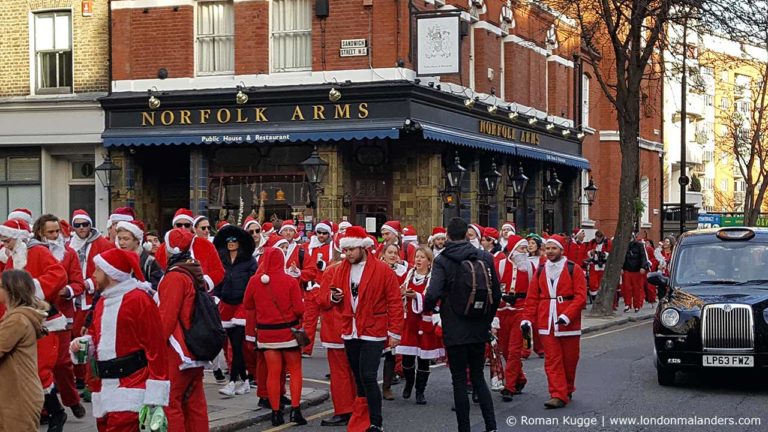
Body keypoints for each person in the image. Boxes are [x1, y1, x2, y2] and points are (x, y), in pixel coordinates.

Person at [69, 248, 170, 430]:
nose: (93, 275)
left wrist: (155, 395)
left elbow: (156, 347)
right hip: (104, 388)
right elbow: (95, 335)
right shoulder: (102, 301)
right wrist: (83, 344)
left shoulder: (139, 300)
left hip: (132, 388)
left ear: (111, 273)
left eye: (98, 270)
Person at [424, 217, 500, 432]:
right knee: (478, 377)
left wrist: (431, 309)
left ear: (447, 235)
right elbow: (497, 293)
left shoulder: (442, 260)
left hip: (455, 325)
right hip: (478, 326)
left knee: (459, 380)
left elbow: (433, 293)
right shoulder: (485, 257)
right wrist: (486, 319)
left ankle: (464, 428)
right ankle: (491, 426)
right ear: (468, 234)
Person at [328, 226, 403, 432]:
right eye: (346, 250)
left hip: (373, 330)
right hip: (350, 329)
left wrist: (395, 332)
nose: (348, 253)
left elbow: (395, 302)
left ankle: (376, 423)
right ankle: (362, 418)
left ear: (363, 247)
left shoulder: (382, 269)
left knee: (368, 375)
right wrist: (335, 297)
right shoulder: (341, 268)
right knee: (358, 376)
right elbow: (333, 294)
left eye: (352, 249)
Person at [1, 218, 70, 431]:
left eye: (8, 240)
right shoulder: (14, 257)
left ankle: (56, 412)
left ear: (19, 238)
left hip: (42, 318)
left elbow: (59, 275)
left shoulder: (37, 252)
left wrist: (30, 292)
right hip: (25, 315)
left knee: (42, 370)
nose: (5, 245)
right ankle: (52, 411)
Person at [521, 235, 587, 409]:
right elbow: (532, 296)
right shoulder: (541, 270)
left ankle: (567, 387)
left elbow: (581, 297)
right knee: (552, 359)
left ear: (561, 250)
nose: (550, 252)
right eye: (547, 249)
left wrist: (567, 315)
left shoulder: (574, 269)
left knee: (570, 359)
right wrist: (527, 318)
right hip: (546, 321)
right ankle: (557, 393)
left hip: (568, 323)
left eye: (553, 248)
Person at [244, 246, 307, 426]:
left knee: (273, 373)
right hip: (288, 333)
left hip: (266, 334)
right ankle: (295, 410)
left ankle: (275, 413)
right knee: (294, 372)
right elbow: (299, 309)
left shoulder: (255, 281)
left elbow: (248, 304)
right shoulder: (290, 281)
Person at [33, 214, 87, 420]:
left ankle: (72, 400)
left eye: (58, 231)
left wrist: (68, 290)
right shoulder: (33, 253)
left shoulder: (69, 254)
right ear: (40, 233)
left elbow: (78, 283)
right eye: (51, 232)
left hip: (62, 316)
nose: (56, 236)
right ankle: (45, 408)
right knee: (40, 363)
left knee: (62, 363)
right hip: (38, 315)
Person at [156, 228, 209, 432]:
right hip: (195, 347)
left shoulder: (175, 277)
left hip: (178, 351)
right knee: (195, 403)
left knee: (172, 402)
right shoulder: (194, 271)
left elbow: (166, 319)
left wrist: (153, 346)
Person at [68, 209, 115, 393]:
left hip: (90, 297)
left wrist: (89, 283)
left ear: (91, 225)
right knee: (75, 337)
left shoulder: (102, 244)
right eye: (77, 225)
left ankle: (89, 378)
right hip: (73, 297)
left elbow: (109, 271)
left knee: (87, 335)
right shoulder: (69, 244)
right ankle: (79, 376)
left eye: (85, 224)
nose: (81, 228)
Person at [0, 269, 49, 432]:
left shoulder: (17, 320)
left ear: (11, 291)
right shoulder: (14, 317)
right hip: (16, 393)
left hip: (19, 396)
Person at [213, 224, 257, 397]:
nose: (231, 242)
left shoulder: (249, 261)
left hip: (242, 305)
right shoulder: (221, 260)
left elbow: (253, 283)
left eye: (234, 239)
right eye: (228, 240)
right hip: (226, 304)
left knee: (237, 345)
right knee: (232, 343)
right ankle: (245, 381)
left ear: (240, 242)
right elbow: (217, 280)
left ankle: (232, 382)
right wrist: (216, 297)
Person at [395, 246, 443, 405]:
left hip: (425, 323)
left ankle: (420, 391)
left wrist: (416, 296)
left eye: (422, 257)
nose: (418, 260)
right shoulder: (409, 275)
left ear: (429, 262)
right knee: (407, 360)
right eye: (417, 257)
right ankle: (409, 383)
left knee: (423, 360)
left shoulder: (433, 279)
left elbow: (434, 299)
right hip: (409, 322)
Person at [316, 249, 355, 427]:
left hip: (345, 329)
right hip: (347, 329)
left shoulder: (332, 271)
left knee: (343, 373)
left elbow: (322, 300)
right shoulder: (333, 271)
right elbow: (324, 299)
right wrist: (333, 296)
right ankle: (354, 408)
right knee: (350, 371)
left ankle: (346, 410)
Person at [495, 235, 536, 402]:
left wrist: (530, 315)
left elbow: (534, 293)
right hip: (503, 311)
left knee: (514, 350)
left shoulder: (531, 268)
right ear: (513, 250)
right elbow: (494, 289)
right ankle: (520, 378)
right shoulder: (500, 266)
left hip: (521, 311)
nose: (525, 252)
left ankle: (509, 386)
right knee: (504, 350)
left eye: (526, 248)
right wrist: (502, 299)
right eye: (522, 248)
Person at [156, 208, 225, 292]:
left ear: (192, 227)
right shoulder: (163, 248)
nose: (183, 228)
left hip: (201, 296)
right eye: (179, 225)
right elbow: (158, 273)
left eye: (187, 225)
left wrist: (203, 284)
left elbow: (219, 271)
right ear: (173, 226)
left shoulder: (206, 245)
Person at [302, 220, 334, 356]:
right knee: (309, 320)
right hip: (311, 288)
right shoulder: (306, 247)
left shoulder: (333, 248)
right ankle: (306, 349)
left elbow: (337, 265)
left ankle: (333, 346)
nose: (321, 235)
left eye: (324, 233)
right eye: (319, 232)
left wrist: (325, 265)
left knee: (329, 321)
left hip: (326, 289)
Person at [115, 220, 163, 292]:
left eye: (126, 239)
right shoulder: (115, 260)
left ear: (137, 240)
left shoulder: (150, 263)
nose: (121, 243)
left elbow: (157, 290)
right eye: (119, 239)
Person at [622, 233, 650, 313]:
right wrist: (621, 267)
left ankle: (637, 305)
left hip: (637, 270)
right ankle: (627, 304)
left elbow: (644, 256)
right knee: (626, 288)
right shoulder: (625, 245)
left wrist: (643, 267)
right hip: (627, 269)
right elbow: (623, 257)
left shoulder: (640, 245)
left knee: (637, 288)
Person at [586, 231, 611, 299]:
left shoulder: (607, 243)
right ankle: (595, 299)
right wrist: (591, 253)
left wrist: (603, 254)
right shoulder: (592, 242)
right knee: (593, 284)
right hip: (594, 265)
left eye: (599, 238)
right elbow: (588, 252)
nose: (598, 239)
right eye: (596, 237)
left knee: (602, 283)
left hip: (603, 266)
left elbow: (610, 253)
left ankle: (601, 298)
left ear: (602, 237)